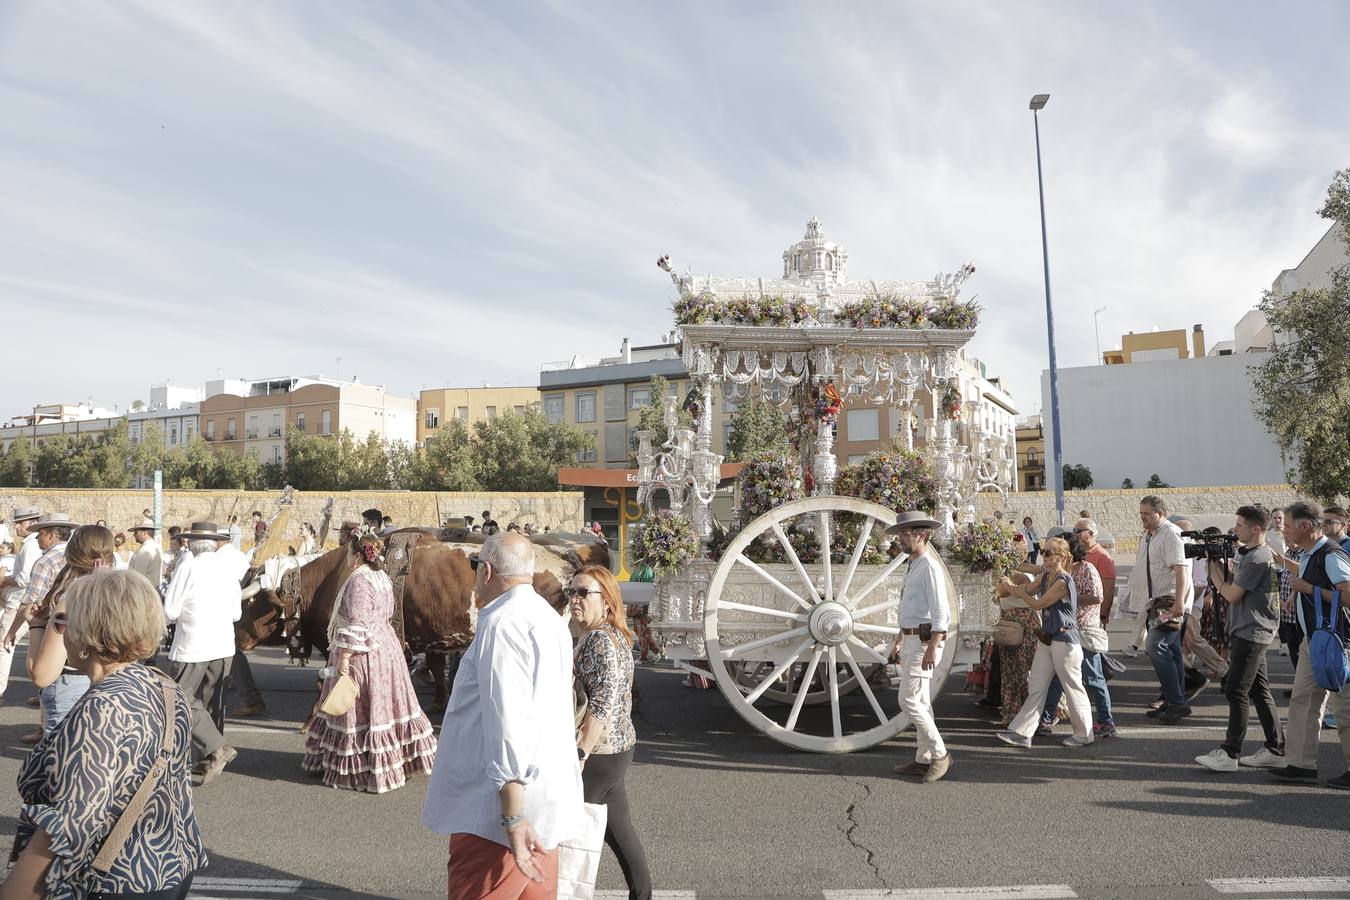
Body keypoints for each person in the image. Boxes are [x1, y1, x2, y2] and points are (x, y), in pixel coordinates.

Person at [3, 569, 206, 900]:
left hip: (115, 880)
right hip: (169, 866)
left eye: (63, 622)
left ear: (88, 631)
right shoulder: (164, 686)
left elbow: (71, 822)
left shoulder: (103, 707)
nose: (61, 631)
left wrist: (16, 891)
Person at [423, 532, 583, 897]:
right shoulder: (550, 619)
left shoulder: (501, 623)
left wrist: (512, 815)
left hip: (497, 814)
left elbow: (507, 722)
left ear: (487, 571)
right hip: (541, 804)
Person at [303, 534, 436, 792]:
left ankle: (362, 767)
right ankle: (393, 761)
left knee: (358, 709)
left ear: (356, 556)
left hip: (366, 652)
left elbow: (358, 623)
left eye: (350, 554)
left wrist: (343, 658)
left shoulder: (360, 580)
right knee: (385, 707)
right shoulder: (382, 576)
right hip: (386, 646)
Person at [569, 564, 653, 899]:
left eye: (583, 592)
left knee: (566, 837)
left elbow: (601, 704)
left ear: (606, 601)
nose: (575, 598)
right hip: (618, 749)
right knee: (621, 833)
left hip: (600, 753)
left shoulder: (600, 640)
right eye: (571, 591)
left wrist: (580, 754)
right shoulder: (610, 634)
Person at [1195, 505, 1284, 772]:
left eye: (1240, 525)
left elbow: (1232, 594)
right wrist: (1219, 565)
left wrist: (1215, 577)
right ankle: (1275, 748)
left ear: (1256, 528)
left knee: (1236, 689)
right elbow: (1240, 584)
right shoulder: (1253, 554)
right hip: (1252, 629)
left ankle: (1230, 753)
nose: (1235, 530)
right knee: (1259, 689)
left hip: (1252, 631)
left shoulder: (1258, 556)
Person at [163, 522, 250, 784]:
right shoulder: (227, 568)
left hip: (192, 645)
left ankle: (215, 748)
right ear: (214, 543)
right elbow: (236, 613)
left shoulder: (188, 566)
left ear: (191, 543)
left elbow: (170, 611)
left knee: (181, 698)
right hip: (223, 644)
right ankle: (209, 755)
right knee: (212, 701)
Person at [1270, 501, 1350, 787]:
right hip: (1313, 641)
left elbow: (1348, 595)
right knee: (1303, 701)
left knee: (1345, 707)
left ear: (1305, 526)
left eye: (1288, 525)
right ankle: (1300, 764)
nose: (1284, 530)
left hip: (1337, 643)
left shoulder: (1330, 554)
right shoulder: (1308, 553)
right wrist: (1299, 594)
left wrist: (1309, 589)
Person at [996, 537, 1094, 748]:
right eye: (1043, 551)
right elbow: (1026, 591)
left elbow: (1038, 603)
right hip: (1049, 640)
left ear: (1061, 557)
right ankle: (1022, 732)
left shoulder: (1062, 581)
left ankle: (1084, 733)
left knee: (1073, 687)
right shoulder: (1045, 576)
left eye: (1048, 553)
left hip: (1065, 641)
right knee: (1037, 686)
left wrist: (1019, 591)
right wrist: (1006, 583)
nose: (1044, 555)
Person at [27, 524, 117, 738]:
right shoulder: (122, 595)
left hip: (72, 688)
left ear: (70, 555)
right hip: (115, 687)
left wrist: (35, 624)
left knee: (67, 762)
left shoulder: (69, 604)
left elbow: (42, 675)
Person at [884, 511, 953, 783]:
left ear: (921, 536)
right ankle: (923, 758)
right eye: (901, 533)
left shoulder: (930, 567)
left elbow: (941, 613)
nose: (900, 538)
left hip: (925, 641)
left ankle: (940, 754)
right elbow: (910, 609)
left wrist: (932, 647)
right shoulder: (913, 564)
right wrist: (899, 641)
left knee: (908, 700)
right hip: (912, 638)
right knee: (921, 701)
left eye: (905, 533)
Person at [5, 513, 77, 742]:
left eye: (41, 535)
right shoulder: (75, 558)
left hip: (48, 625)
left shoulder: (45, 561)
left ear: (52, 535)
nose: (37, 539)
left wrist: (12, 630)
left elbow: (29, 600)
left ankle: (47, 730)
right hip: (74, 628)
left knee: (45, 677)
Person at [1041, 532, 1116, 740]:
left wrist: (1068, 596)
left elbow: (1097, 596)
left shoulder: (1087, 569)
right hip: (1065, 631)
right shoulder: (1058, 571)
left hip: (1084, 630)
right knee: (1057, 679)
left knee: (1093, 678)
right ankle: (1046, 720)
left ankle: (1106, 721)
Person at [1132, 496, 1193, 724]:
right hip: (1155, 603)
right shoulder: (1149, 536)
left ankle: (1176, 702)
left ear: (1161, 512)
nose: (1143, 518)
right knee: (1172, 651)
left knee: (1155, 646)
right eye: (1141, 514)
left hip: (1168, 602)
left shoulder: (1171, 534)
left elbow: (1182, 571)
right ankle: (1173, 701)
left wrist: (1179, 601)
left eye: (1146, 513)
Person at [1, 506, 43, 700]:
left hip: (20, 603)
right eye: (17, 523)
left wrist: (4, 579)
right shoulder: (32, 544)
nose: (17, 526)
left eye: (21, 522)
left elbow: (24, 579)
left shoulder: (30, 545)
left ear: (32, 523)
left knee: (5, 644)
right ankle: (43, 691)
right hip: (24, 602)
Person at [1074, 519, 1116, 625]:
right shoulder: (1079, 553)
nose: (1074, 534)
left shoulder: (1103, 556)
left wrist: (1104, 614)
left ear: (1090, 533)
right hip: (1078, 615)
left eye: (1078, 531)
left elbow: (1109, 590)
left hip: (1093, 617)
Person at [128, 518, 165, 591]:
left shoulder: (144, 551)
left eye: (136, 532)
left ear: (144, 533)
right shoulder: (156, 547)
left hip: (143, 590)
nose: (134, 535)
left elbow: (138, 576)